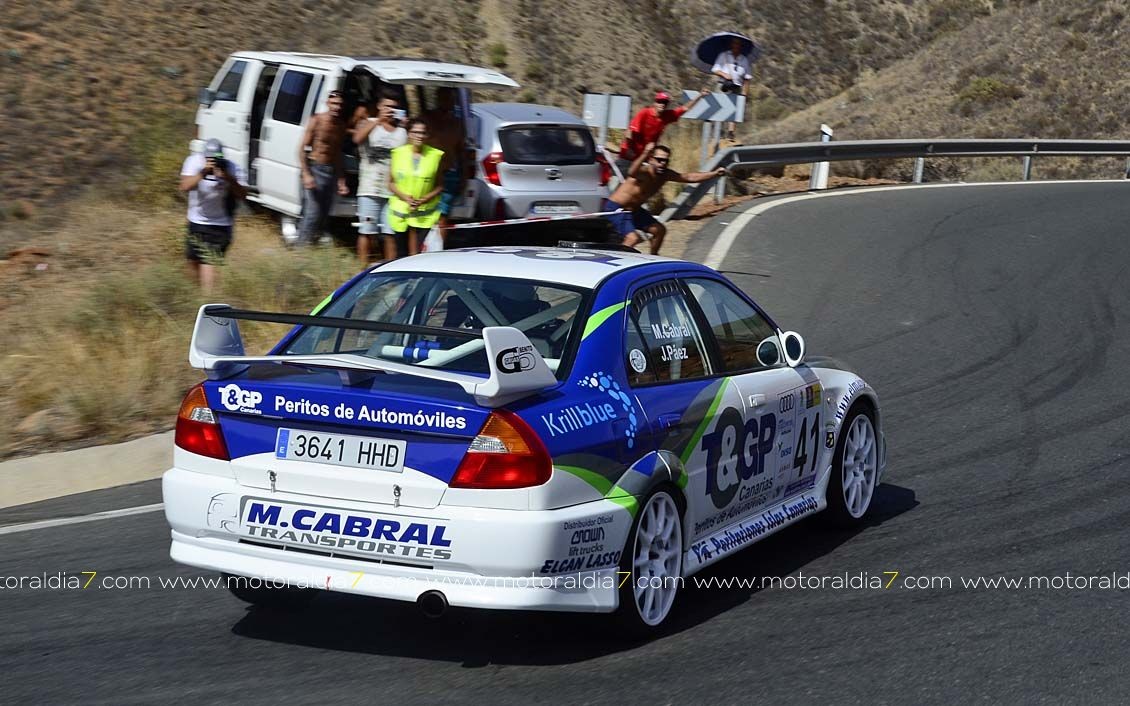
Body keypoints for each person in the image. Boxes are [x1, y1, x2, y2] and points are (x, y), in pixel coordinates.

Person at [603, 143, 724, 254]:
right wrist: (645, 152)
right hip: (617, 208)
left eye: (665, 160)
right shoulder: (643, 172)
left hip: (634, 210)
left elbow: (688, 177)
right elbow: (631, 172)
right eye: (659, 160)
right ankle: (617, 262)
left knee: (659, 230)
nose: (662, 163)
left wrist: (714, 174)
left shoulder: (665, 175)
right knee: (633, 238)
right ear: (651, 159)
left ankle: (653, 257)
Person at [178, 138, 246, 293]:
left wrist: (227, 177)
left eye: (216, 159)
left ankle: (208, 300)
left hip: (220, 226)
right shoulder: (194, 162)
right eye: (209, 158)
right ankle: (195, 298)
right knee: (193, 263)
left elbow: (243, 195)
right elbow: (184, 186)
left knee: (209, 267)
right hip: (196, 223)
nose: (213, 162)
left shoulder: (232, 168)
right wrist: (203, 172)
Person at [352, 93, 407, 261]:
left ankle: (389, 267)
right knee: (367, 231)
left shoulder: (401, 132)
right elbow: (356, 139)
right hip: (370, 187)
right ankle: (363, 267)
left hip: (392, 190)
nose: (391, 110)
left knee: (390, 233)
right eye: (387, 106)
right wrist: (378, 121)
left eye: (394, 107)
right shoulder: (368, 123)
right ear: (379, 106)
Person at [386, 118, 444, 258]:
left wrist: (424, 199)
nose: (419, 136)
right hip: (401, 212)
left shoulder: (435, 155)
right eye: (416, 132)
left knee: (419, 254)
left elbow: (440, 185)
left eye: (423, 133)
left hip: (424, 214)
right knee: (401, 253)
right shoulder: (397, 153)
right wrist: (405, 198)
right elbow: (390, 183)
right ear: (409, 134)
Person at [297, 89, 349, 245]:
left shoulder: (341, 125)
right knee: (312, 212)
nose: (336, 107)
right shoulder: (317, 120)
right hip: (315, 168)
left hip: (330, 171)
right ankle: (301, 249)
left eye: (340, 104)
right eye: (333, 103)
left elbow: (337, 153)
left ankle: (313, 246)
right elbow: (302, 148)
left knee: (324, 214)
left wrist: (341, 179)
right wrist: (306, 174)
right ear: (327, 103)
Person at [616, 89, 709, 174]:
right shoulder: (644, 113)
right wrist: (629, 149)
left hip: (644, 157)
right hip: (629, 156)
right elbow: (629, 132)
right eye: (660, 101)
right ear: (655, 102)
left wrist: (700, 96)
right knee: (622, 180)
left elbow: (685, 109)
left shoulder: (666, 116)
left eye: (665, 102)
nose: (662, 104)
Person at [423, 87, 466, 236]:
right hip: (427, 173)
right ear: (437, 99)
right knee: (422, 214)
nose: (448, 102)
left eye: (451, 99)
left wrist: (464, 177)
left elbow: (461, 152)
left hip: (449, 174)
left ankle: (438, 247)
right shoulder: (426, 119)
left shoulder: (457, 124)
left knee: (442, 216)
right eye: (444, 98)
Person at [711, 37, 754, 141]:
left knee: (734, 109)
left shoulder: (744, 60)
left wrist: (745, 93)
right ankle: (719, 132)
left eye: (738, 44)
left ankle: (731, 133)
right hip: (723, 85)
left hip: (737, 86)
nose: (736, 46)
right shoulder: (724, 55)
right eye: (735, 43)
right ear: (731, 45)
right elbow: (715, 69)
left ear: (741, 47)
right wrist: (724, 74)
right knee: (720, 107)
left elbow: (747, 78)